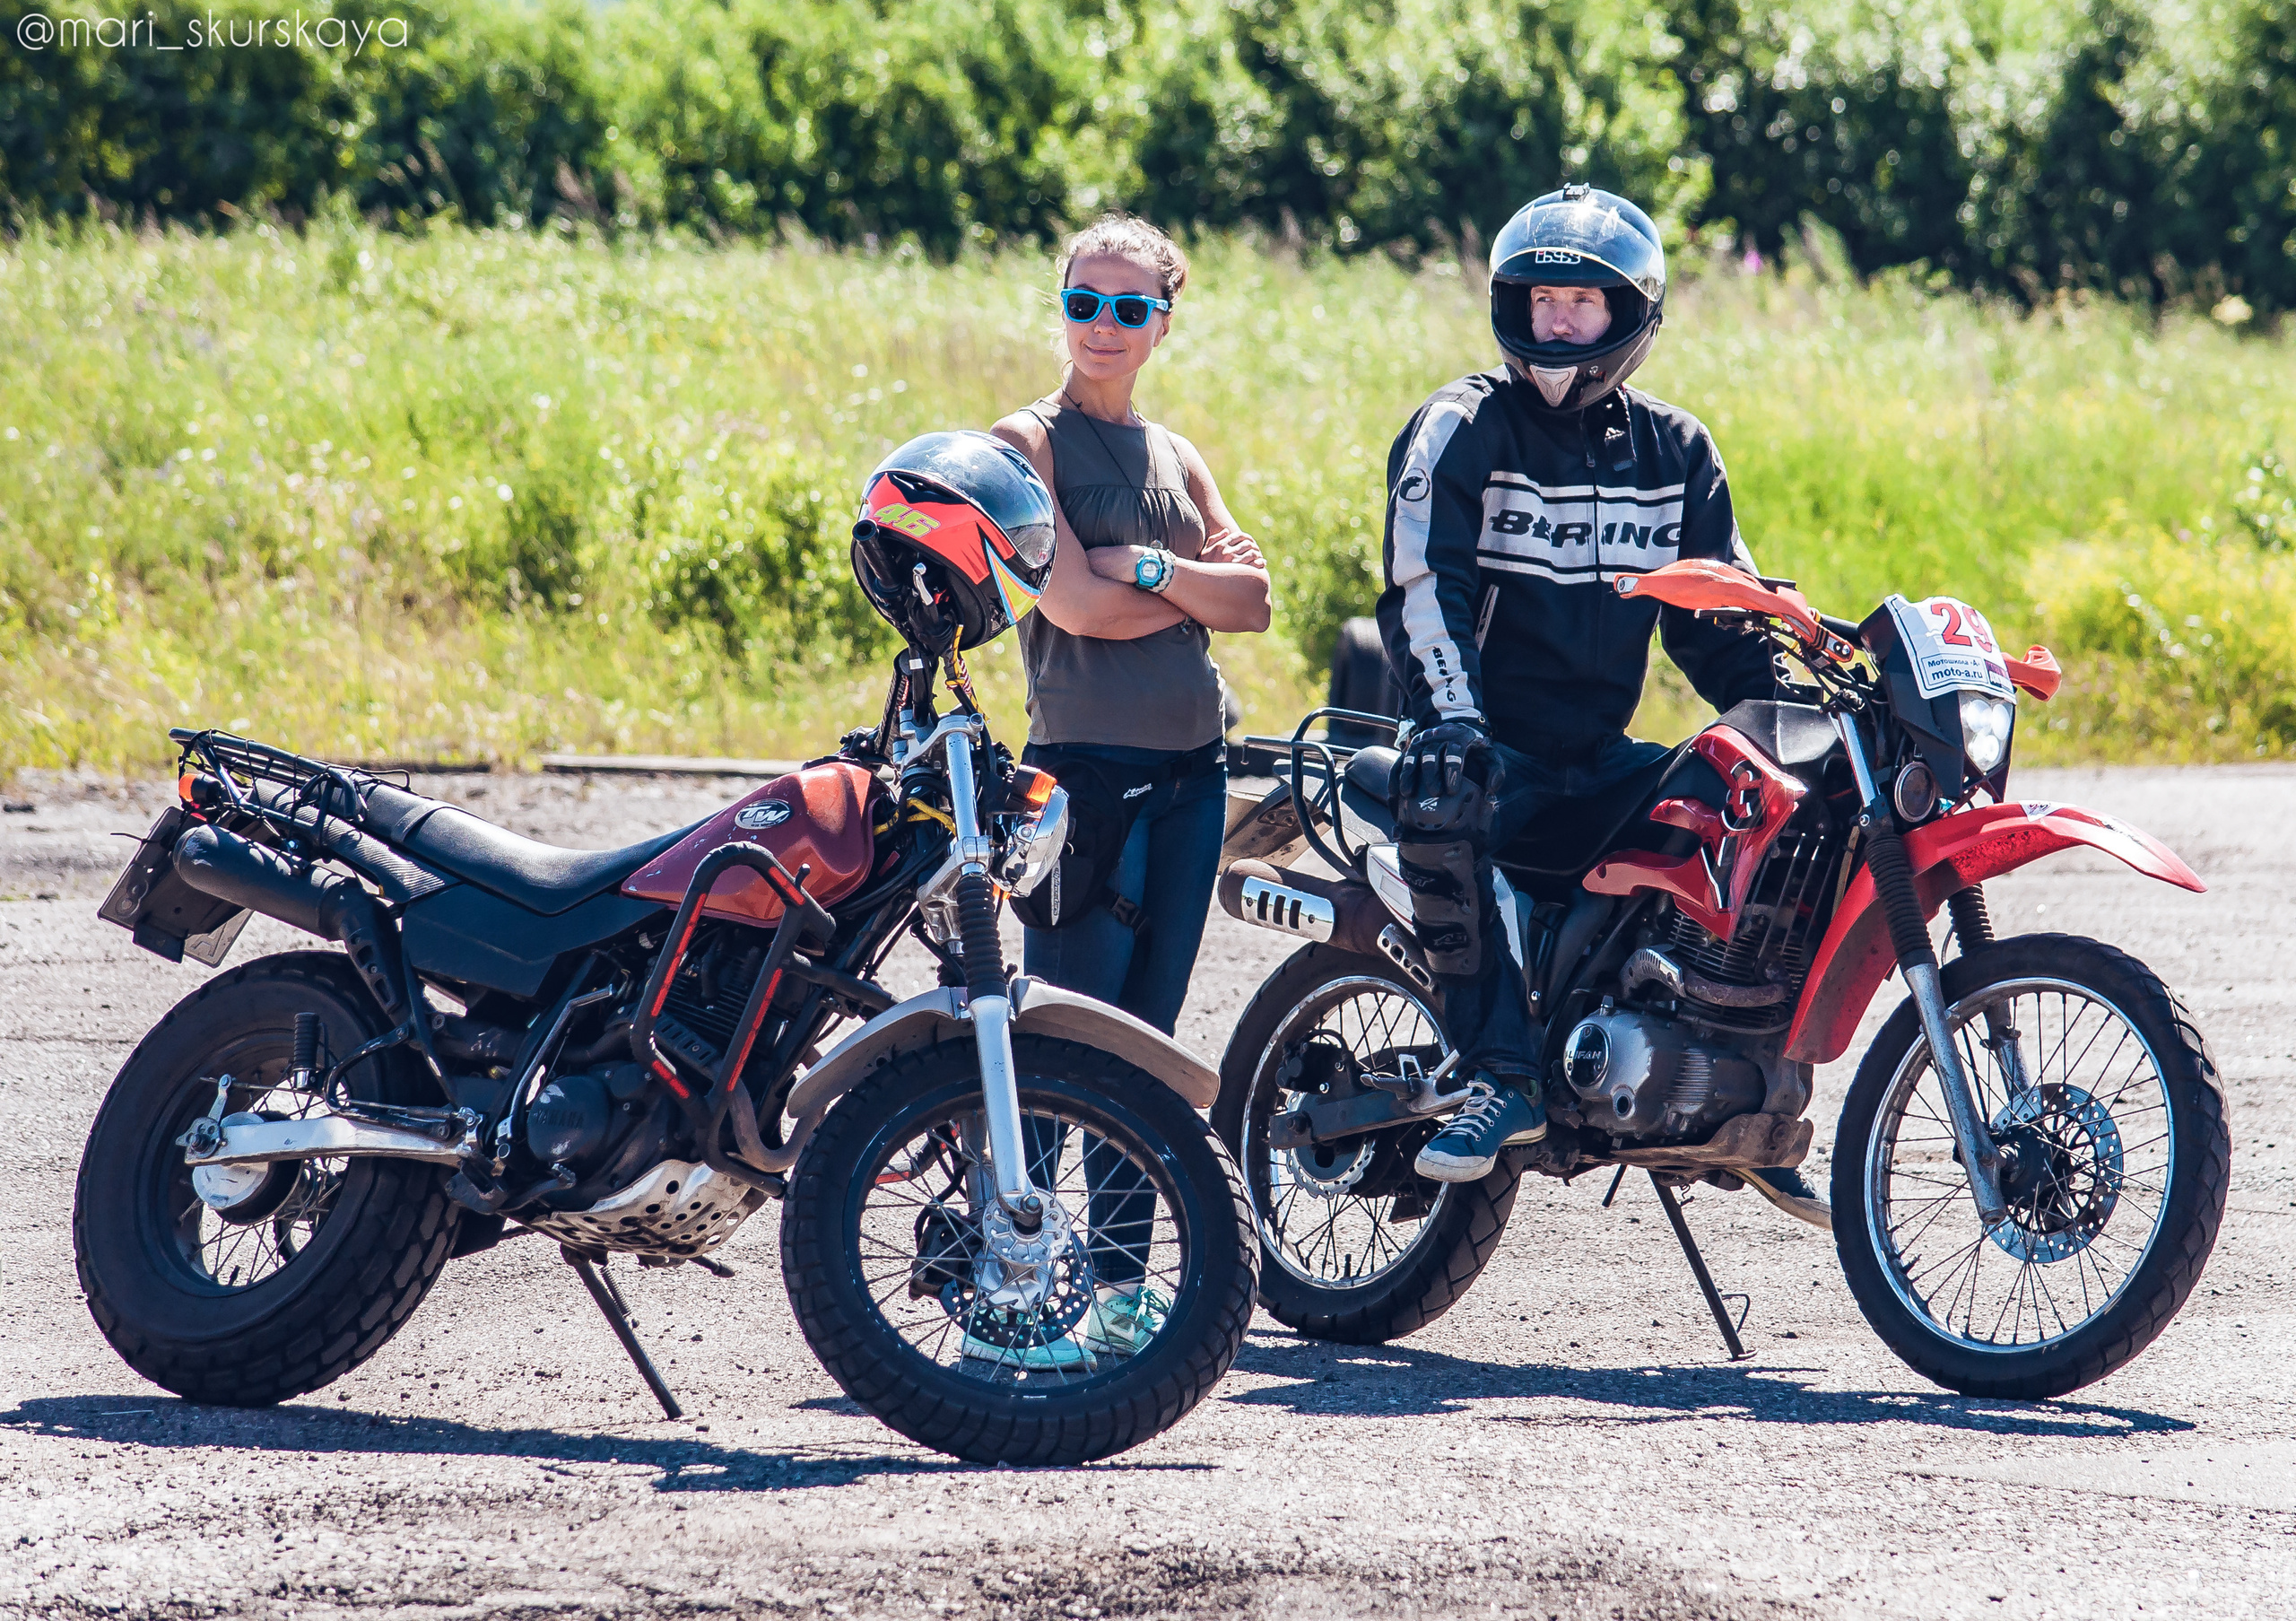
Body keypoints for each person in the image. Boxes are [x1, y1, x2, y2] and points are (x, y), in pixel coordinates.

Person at [1375, 184, 1822, 1221]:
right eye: (1540, 300)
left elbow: (1720, 617)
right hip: (1483, 741)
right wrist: (1451, 716)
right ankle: (1497, 1075)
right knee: (1451, 792)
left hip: (1599, 754)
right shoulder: (1462, 425)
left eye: (1581, 301)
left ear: (1631, 316)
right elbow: (1418, 585)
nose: (1557, 320)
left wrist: (1793, 712)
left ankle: (1732, 1094)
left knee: (1772, 807)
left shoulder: (1675, 453)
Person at [987, 214, 1272, 1362]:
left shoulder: (1177, 454)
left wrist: (1148, 567)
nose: (1103, 326)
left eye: (1129, 307)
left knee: (1147, 1044)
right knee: (1062, 1032)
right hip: (1081, 780)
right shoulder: (1024, 442)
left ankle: (1114, 1293)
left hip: (1192, 775)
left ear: (1164, 321)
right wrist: (1186, 591)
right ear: (1060, 306)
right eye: (1084, 302)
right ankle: (1012, 1289)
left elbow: (1252, 605)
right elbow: (1071, 608)